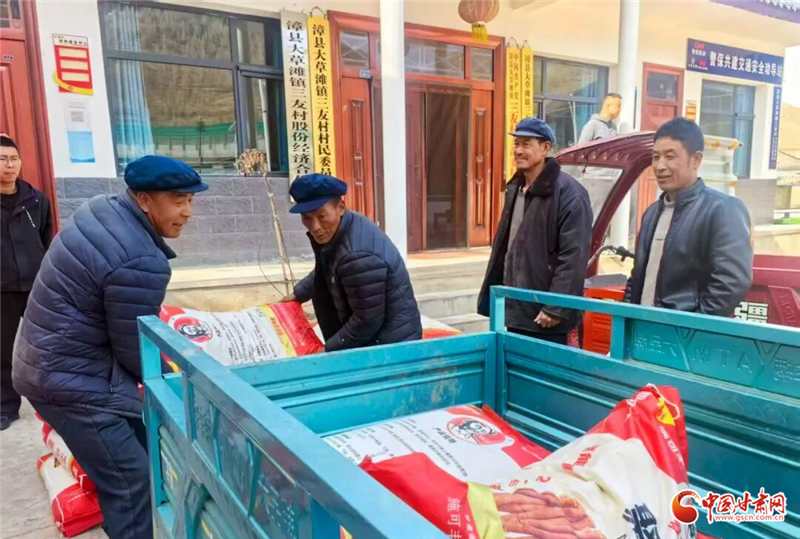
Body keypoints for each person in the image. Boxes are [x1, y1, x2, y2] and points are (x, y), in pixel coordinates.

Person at [13, 155, 206, 539]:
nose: (187, 212)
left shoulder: (102, 209)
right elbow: (135, 348)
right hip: (69, 381)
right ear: (144, 200)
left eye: (190, 200)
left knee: (140, 446)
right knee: (131, 482)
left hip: (51, 360)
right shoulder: (140, 258)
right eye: (177, 201)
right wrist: (179, 382)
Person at [478, 118, 592, 345]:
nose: (518, 151)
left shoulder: (570, 193)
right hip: (515, 305)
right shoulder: (517, 188)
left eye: (526, 144)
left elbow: (573, 256)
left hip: (547, 316)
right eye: (516, 144)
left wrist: (555, 307)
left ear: (545, 148)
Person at [624, 118, 752, 315]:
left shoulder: (722, 210)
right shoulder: (651, 213)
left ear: (696, 160)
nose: (660, 166)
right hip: (642, 328)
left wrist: (691, 326)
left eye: (670, 156)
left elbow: (731, 283)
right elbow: (637, 277)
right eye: (656, 157)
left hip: (684, 331)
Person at [283, 173, 422, 351]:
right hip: (376, 339)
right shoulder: (347, 224)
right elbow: (328, 269)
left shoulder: (358, 257)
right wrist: (297, 294)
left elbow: (366, 322)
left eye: (322, 216)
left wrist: (326, 350)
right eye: (307, 218)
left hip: (389, 348)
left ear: (340, 207)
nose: (315, 227)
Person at [1, 134, 52, 431]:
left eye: (13, 159)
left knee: (46, 346)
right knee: (2, 351)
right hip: (2, 289)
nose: (9, 165)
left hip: (35, 286)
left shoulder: (36, 200)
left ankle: (53, 401)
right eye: (2, 159)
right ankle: (5, 407)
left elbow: (46, 238)